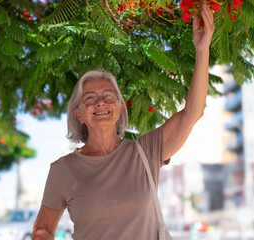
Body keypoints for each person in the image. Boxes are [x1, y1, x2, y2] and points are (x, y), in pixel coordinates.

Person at [33, 3, 214, 240]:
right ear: (78, 113)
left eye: (109, 96)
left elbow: (193, 112)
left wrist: (202, 50)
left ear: (119, 108)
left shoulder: (146, 152)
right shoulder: (63, 170)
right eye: (90, 98)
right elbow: (43, 230)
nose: (100, 102)